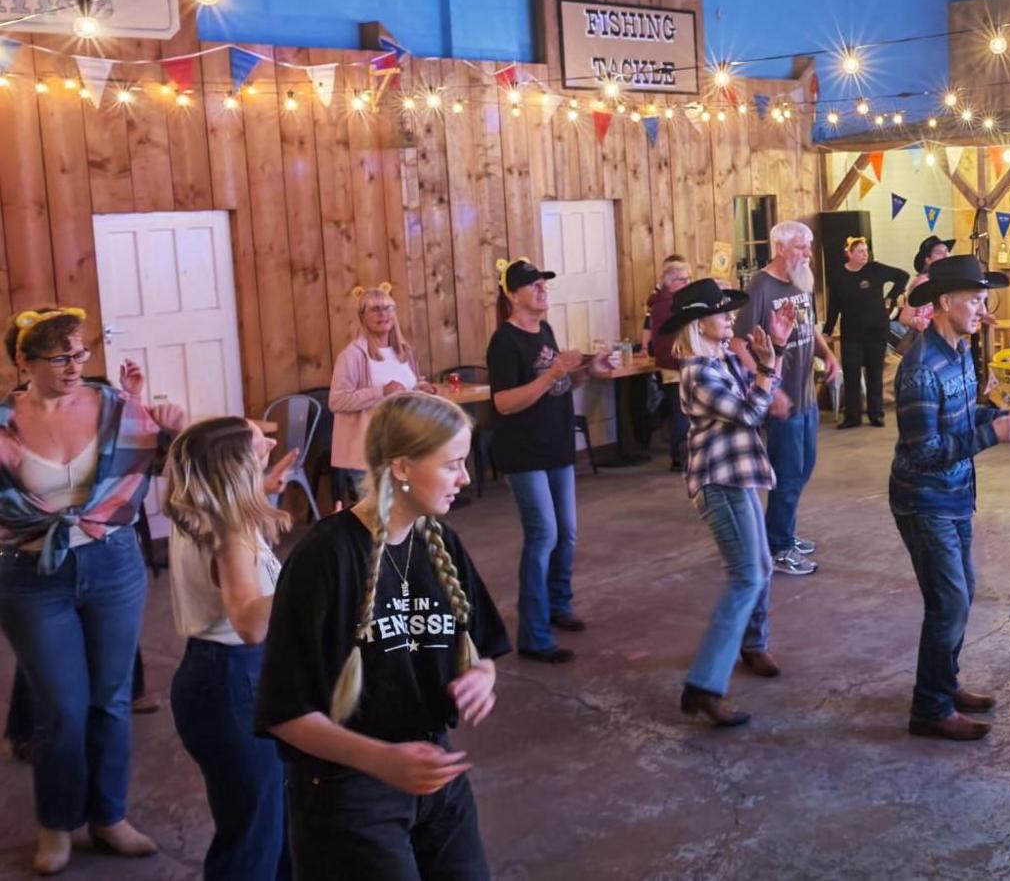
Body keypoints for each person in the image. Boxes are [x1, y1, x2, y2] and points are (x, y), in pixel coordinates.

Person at [255, 392, 510, 880]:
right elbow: (284, 713)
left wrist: (481, 676)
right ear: (402, 468)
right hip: (345, 787)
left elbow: (483, 648)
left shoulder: (440, 542)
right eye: (453, 464)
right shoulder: (324, 560)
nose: (466, 478)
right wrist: (382, 760)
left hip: (432, 772)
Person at [0, 306, 187, 874]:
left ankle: (109, 816)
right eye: (59, 357)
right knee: (62, 707)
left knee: (110, 700)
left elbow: (169, 462)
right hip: (30, 575)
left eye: (80, 353)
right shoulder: (5, 423)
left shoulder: (113, 407)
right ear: (24, 362)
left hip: (112, 564)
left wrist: (173, 423)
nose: (75, 365)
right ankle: (57, 825)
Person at [892, 256, 1010, 741]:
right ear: (943, 303)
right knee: (949, 600)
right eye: (975, 300)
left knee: (959, 593)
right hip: (924, 498)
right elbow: (926, 451)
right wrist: (993, 435)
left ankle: (944, 683)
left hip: (955, 494)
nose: (983, 309)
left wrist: (1004, 413)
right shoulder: (918, 368)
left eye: (982, 299)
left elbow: (962, 412)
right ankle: (929, 708)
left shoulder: (957, 351)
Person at [164, 417, 296, 880]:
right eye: (260, 442)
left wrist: (264, 490)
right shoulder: (231, 527)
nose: (272, 442)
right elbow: (248, 622)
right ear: (235, 466)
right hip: (234, 681)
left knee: (273, 823)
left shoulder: (200, 509)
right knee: (254, 840)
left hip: (212, 677)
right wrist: (311, 579)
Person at [666, 279, 796, 726]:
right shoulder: (698, 370)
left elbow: (758, 392)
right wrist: (765, 372)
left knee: (757, 568)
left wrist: (774, 349)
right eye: (721, 313)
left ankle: (748, 648)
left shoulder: (719, 360)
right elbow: (749, 412)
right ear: (698, 323)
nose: (729, 318)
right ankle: (704, 685)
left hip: (735, 479)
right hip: (718, 483)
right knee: (747, 575)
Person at [487, 260, 617, 663]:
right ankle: (534, 634)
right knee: (543, 534)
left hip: (556, 445)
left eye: (544, 282)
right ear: (512, 295)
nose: (543, 288)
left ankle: (559, 604)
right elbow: (504, 403)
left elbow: (559, 383)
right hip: (524, 452)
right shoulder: (503, 342)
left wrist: (587, 372)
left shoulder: (544, 329)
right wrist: (553, 373)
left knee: (568, 532)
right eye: (533, 284)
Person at [732, 221, 841, 576]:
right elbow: (737, 343)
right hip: (783, 398)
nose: (807, 254)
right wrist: (768, 386)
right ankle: (777, 547)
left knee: (804, 467)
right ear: (780, 248)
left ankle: (783, 532)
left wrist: (829, 355)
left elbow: (810, 327)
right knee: (788, 472)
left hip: (806, 395)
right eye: (800, 248)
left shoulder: (801, 280)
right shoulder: (761, 287)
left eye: (808, 248)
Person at [330, 284, 435, 504]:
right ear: (362, 316)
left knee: (403, 515)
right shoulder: (352, 355)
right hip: (368, 454)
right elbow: (337, 400)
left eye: (388, 308)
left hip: (402, 448)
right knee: (378, 519)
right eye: (375, 309)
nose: (383, 314)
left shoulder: (403, 351)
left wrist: (421, 389)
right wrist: (380, 392)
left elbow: (406, 388)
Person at [823, 236, 909, 428]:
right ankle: (852, 416)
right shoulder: (839, 276)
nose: (864, 254)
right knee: (852, 374)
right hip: (852, 332)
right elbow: (833, 306)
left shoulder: (875, 269)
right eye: (860, 251)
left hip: (876, 329)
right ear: (849, 254)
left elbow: (903, 276)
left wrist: (891, 298)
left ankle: (875, 414)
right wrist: (827, 330)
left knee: (875, 372)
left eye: (866, 250)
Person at [647, 255, 694, 470]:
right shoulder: (667, 305)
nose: (688, 284)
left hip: (676, 365)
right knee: (681, 414)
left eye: (688, 279)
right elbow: (669, 340)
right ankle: (679, 456)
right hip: (676, 366)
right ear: (671, 282)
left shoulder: (664, 303)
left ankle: (682, 454)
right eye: (683, 280)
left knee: (681, 412)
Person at [895, 234, 953, 340]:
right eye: (939, 253)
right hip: (926, 340)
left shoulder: (949, 281)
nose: (946, 255)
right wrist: (918, 321)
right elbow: (905, 318)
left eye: (947, 251)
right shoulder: (923, 282)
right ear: (928, 260)